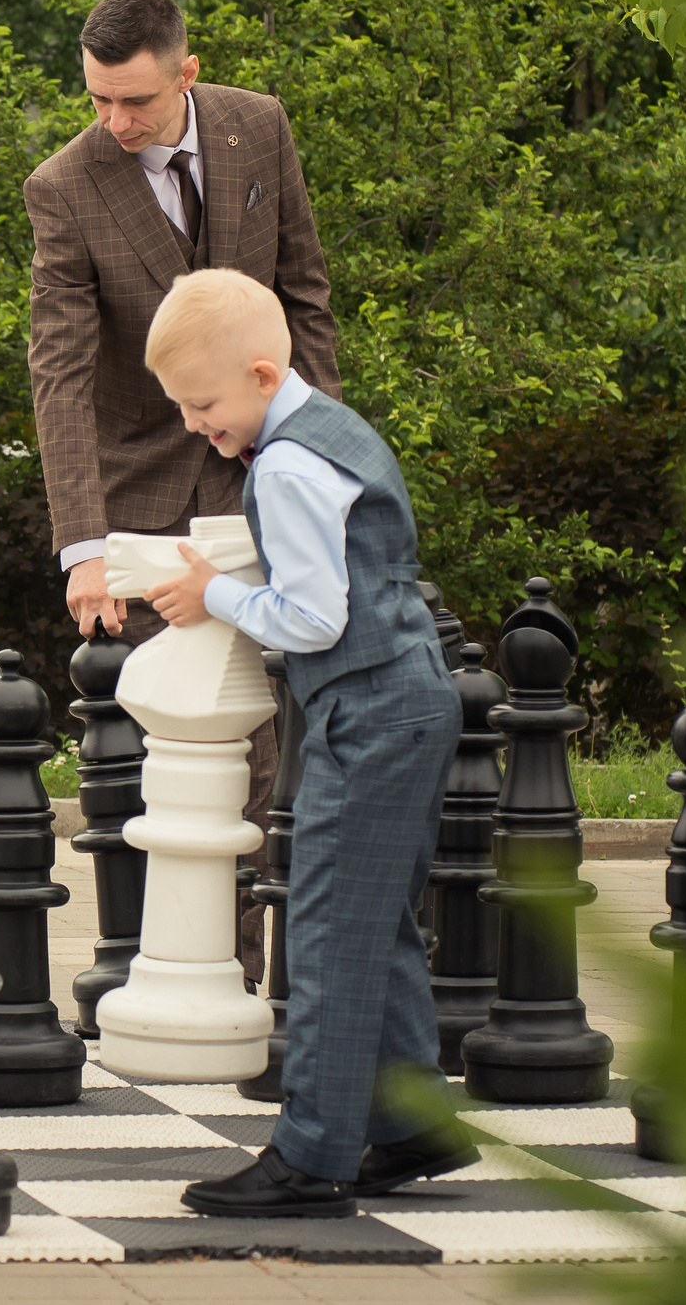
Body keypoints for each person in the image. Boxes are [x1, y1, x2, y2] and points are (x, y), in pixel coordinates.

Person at [128, 269, 475, 1217]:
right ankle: (413, 1129)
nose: (196, 423)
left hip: (370, 705)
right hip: (405, 697)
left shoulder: (284, 464)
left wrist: (214, 596)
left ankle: (310, 1153)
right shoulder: (331, 427)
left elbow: (314, 616)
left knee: (323, 927)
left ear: (261, 369)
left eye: (202, 403)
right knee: (375, 922)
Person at [24, 0, 340, 979]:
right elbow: (60, 366)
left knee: (305, 739)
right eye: (98, 100)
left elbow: (304, 297)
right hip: (151, 496)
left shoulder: (259, 127)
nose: (114, 123)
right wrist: (84, 544)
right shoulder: (64, 185)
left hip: (276, 478)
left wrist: (322, 450)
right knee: (203, 745)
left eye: (136, 103)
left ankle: (307, 975)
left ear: (187, 73)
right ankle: (216, 979)